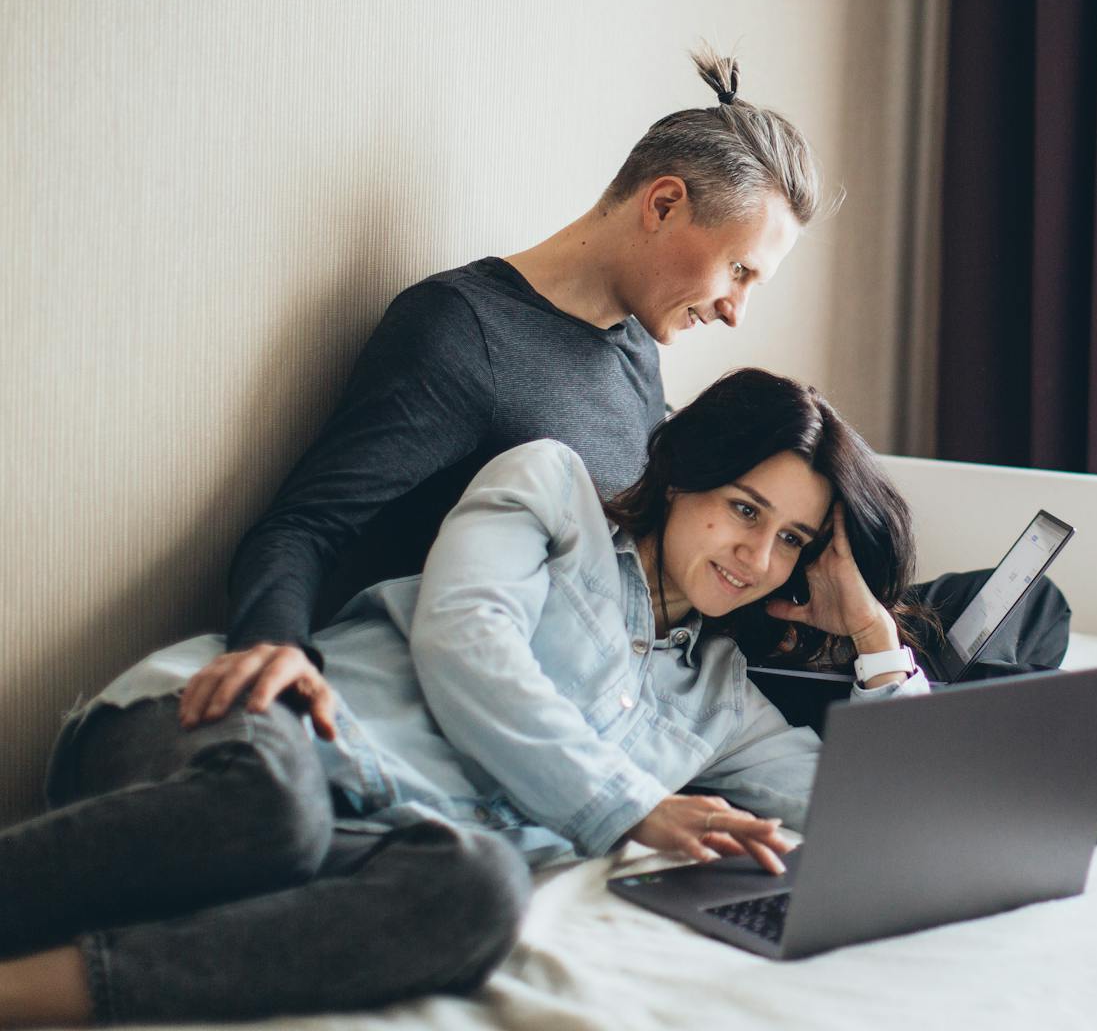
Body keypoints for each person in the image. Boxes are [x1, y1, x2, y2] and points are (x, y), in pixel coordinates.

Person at [158, 47, 1097, 1001]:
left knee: (1010, 662)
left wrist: (839, 600)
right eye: (736, 276)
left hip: (710, 649)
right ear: (664, 205)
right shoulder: (464, 337)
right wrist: (272, 655)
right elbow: (307, 521)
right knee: (1072, 739)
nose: (737, 311)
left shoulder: (627, 349)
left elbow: (683, 537)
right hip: (662, 675)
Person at [0, 370, 930, 1025]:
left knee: (479, 889)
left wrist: (872, 635)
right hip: (247, 730)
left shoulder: (720, 699)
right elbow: (466, 642)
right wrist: (631, 806)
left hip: (361, 838)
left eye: (794, 541)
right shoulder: (552, 487)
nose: (756, 558)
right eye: (744, 508)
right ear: (686, 471)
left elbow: (882, 817)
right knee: (272, 810)